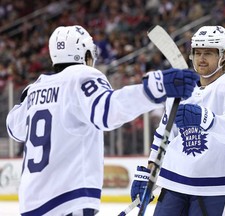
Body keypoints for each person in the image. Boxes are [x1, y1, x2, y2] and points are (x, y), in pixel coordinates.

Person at [6, 25, 198, 216]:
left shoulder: (35, 89)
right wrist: (156, 88)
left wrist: (28, 100)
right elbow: (107, 111)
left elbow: (14, 128)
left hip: (30, 203)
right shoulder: (82, 75)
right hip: (68, 200)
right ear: (86, 55)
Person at [131, 25, 225, 216]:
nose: (201, 58)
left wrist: (206, 119)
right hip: (174, 182)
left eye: (208, 53)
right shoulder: (181, 89)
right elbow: (164, 135)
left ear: (223, 56)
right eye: (197, 53)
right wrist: (149, 173)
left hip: (215, 186)